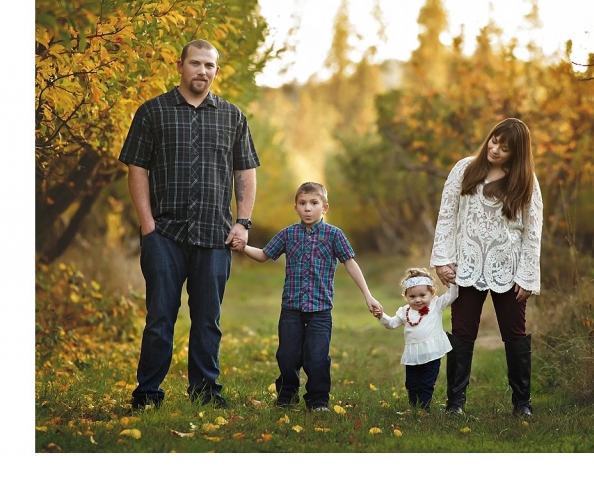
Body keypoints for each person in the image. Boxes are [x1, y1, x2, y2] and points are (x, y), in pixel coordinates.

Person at [119, 39, 259, 410]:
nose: (202, 71)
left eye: (209, 65)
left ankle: (205, 392)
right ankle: (147, 394)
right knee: (160, 318)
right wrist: (147, 225)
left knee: (208, 320)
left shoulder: (232, 116)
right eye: (195, 64)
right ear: (180, 65)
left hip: (215, 234)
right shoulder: (153, 112)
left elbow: (245, 171)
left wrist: (243, 223)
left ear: (216, 70)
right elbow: (137, 169)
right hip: (164, 234)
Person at [233, 182, 381, 411]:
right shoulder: (288, 233)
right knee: (287, 356)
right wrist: (242, 247)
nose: (308, 208)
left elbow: (350, 263)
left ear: (325, 208)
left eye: (314, 203)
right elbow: (264, 255)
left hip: (320, 311)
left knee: (318, 357)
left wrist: (368, 296)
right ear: (296, 207)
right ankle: (286, 396)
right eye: (302, 203)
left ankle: (318, 400)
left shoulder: (334, 235)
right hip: (291, 308)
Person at [430, 117, 543, 416]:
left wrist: (528, 276)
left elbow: (532, 231)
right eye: (494, 141)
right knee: (462, 332)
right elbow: (447, 215)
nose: (495, 149)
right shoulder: (465, 168)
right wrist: (443, 260)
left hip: (509, 266)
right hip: (466, 265)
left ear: (516, 152)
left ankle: (522, 404)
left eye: (505, 148)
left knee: (515, 334)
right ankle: (455, 404)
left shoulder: (526, 181)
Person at [373, 268, 458, 412]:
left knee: (426, 383)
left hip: (432, 354)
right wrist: (381, 316)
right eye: (412, 296)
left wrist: (453, 281)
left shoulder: (436, 305)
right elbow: (392, 324)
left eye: (422, 295)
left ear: (432, 293)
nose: (418, 299)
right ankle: (414, 408)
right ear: (406, 296)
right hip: (413, 355)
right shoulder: (404, 311)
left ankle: (423, 409)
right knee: (411, 383)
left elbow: (452, 296)